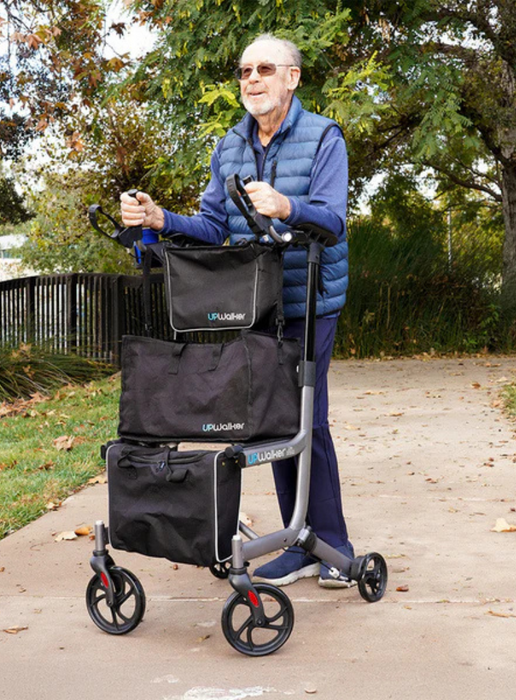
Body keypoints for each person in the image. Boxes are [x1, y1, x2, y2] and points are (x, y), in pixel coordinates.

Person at [120, 34, 353, 588]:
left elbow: (333, 219)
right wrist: (159, 218)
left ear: (291, 78)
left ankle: (333, 545)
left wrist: (287, 205)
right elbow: (213, 227)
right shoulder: (229, 145)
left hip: (310, 301)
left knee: (305, 421)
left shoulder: (323, 137)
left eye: (265, 68)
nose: (252, 79)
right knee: (273, 423)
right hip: (254, 305)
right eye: (245, 70)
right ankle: (301, 543)